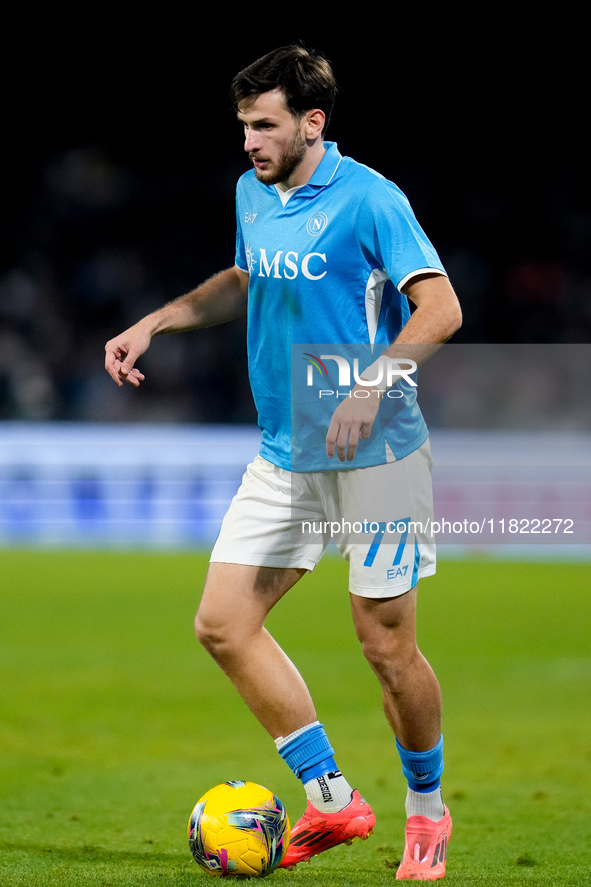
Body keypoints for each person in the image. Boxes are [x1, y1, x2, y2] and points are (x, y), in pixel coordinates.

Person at [105, 44, 462, 881]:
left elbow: (438, 306)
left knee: (384, 646)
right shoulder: (252, 192)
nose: (249, 143)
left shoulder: (371, 199)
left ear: (312, 122)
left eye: (264, 125)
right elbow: (243, 279)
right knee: (223, 623)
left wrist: (374, 382)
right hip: (284, 452)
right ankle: (333, 800)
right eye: (242, 127)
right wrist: (156, 321)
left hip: (374, 452)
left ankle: (426, 812)